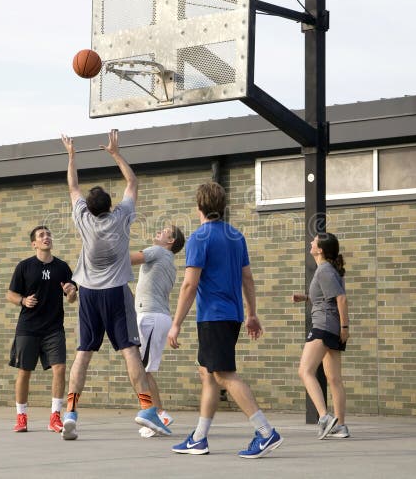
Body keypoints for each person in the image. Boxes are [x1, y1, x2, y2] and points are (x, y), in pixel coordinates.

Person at [60, 129, 171, 441]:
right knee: (130, 352)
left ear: (90, 207)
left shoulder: (83, 218)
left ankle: (70, 413)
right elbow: (133, 183)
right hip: (116, 293)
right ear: (110, 205)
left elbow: (72, 187)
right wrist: (115, 153)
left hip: (89, 295)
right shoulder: (121, 216)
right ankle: (147, 408)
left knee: (83, 353)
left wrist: (71, 156)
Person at [167, 181, 283, 459]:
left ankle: (266, 432)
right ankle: (198, 438)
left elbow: (189, 286)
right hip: (231, 316)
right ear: (222, 206)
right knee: (208, 374)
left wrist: (176, 323)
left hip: (214, 317)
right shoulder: (236, 236)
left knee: (224, 375)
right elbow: (248, 278)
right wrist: (252, 314)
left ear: (199, 208)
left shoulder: (199, 237)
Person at [6, 225, 78, 433]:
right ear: (34, 243)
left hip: (54, 328)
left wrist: (71, 291)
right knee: (24, 372)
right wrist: (22, 300)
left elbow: (72, 299)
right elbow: (10, 294)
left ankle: (55, 417)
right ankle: (21, 417)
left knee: (60, 369)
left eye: (48, 234)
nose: (46, 237)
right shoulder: (24, 266)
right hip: (28, 328)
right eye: (41, 235)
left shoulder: (62, 267)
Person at [293, 232, 350, 439]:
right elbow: (327, 298)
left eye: (314, 241)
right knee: (334, 378)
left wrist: (345, 328)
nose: (310, 242)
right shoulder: (328, 270)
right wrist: (307, 298)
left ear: (321, 249)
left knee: (305, 371)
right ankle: (341, 426)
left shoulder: (324, 270)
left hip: (324, 326)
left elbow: (341, 299)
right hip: (331, 326)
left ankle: (325, 417)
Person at [131, 225, 186, 438]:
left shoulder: (158, 251)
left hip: (151, 317)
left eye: (164, 231)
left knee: (141, 370)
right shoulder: (169, 262)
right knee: (144, 370)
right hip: (154, 317)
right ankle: (159, 413)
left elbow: (129, 259)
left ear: (170, 241)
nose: (159, 232)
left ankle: (156, 414)